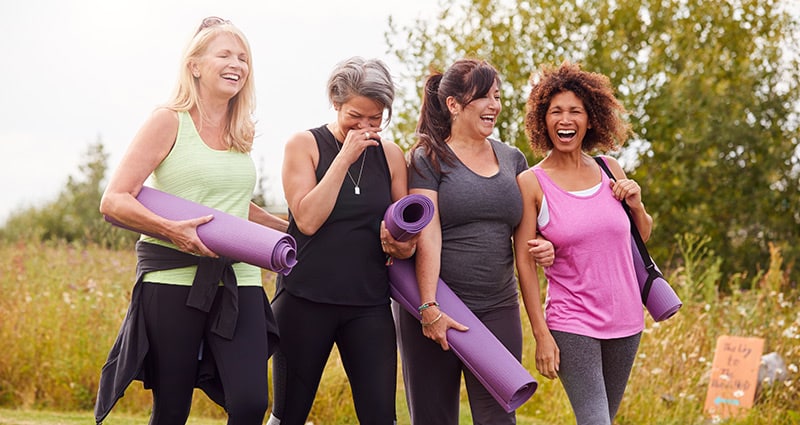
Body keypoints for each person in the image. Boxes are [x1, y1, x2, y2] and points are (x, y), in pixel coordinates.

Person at [94, 17, 288, 425]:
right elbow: (114, 200)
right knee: (171, 410)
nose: (237, 64)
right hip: (173, 284)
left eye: (243, 57)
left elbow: (231, 203)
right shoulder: (168, 120)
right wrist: (171, 231)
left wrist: (284, 228)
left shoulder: (241, 132)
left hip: (240, 281)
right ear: (195, 65)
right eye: (225, 54)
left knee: (250, 403)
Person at [395, 58, 554, 425]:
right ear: (453, 104)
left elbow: (526, 233)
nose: (494, 106)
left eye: (497, 96)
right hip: (439, 305)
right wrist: (428, 306)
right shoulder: (428, 157)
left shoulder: (512, 158)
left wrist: (547, 245)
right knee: (434, 418)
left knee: (498, 418)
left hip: (498, 307)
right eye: (483, 96)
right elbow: (427, 234)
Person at [267, 56, 417, 425]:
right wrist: (344, 158)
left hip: (368, 304)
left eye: (375, 118)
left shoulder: (392, 155)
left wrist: (402, 244)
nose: (366, 127)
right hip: (304, 299)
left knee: (382, 416)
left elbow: (406, 233)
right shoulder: (304, 145)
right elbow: (307, 218)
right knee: (289, 415)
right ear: (336, 103)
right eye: (355, 116)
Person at [514, 61, 652, 425]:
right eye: (556, 111)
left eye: (575, 111)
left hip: (627, 320)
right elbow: (524, 264)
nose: (566, 119)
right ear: (543, 121)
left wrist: (636, 205)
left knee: (603, 417)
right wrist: (541, 334)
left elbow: (641, 238)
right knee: (596, 421)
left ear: (590, 120)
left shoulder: (610, 169)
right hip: (572, 321)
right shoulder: (532, 183)